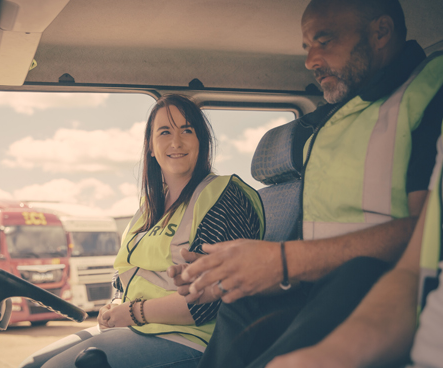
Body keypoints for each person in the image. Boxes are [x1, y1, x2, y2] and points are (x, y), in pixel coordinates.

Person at [168, 1, 443, 367]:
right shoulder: (334, 119)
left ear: (381, 32)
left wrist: (283, 260)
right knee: (241, 302)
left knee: (354, 277)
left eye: (324, 41)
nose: (311, 60)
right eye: (307, 47)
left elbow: (426, 238)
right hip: (314, 287)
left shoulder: (428, 95)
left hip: (375, 288)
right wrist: (226, 276)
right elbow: (315, 246)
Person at [18, 94, 265, 368]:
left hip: (193, 340)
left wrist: (133, 313)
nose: (176, 141)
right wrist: (114, 307)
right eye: (165, 132)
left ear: (201, 141)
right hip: (137, 327)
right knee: (31, 364)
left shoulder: (223, 196)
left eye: (187, 130)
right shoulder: (147, 210)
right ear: (150, 145)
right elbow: (125, 275)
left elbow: (207, 300)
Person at [264, 128, 443, 367]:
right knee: (245, 300)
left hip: (349, 282)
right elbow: (411, 272)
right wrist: (334, 355)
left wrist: (286, 262)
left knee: (356, 272)